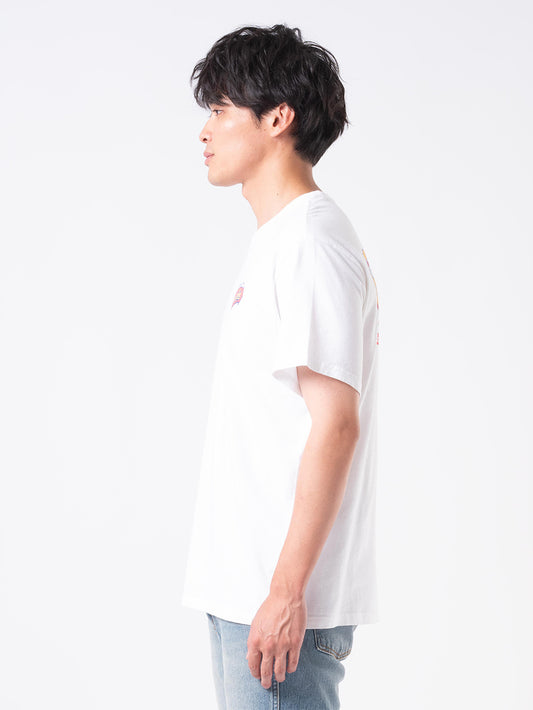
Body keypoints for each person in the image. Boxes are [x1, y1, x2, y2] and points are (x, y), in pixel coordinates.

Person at [181, 23, 380, 710]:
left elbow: (336, 425)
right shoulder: (279, 241)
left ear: (277, 118)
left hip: (279, 601)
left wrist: (287, 591)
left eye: (219, 109)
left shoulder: (310, 244)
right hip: (248, 593)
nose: (204, 130)